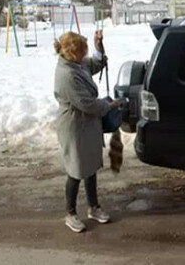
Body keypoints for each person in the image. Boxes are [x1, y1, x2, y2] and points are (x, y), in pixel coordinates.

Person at [53, 30, 119, 233]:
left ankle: (93, 207)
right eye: (83, 51)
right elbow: (87, 104)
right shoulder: (66, 75)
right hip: (74, 127)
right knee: (76, 170)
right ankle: (70, 214)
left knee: (90, 168)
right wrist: (110, 105)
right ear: (72, 53)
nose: (85, 56)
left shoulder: (75, 64)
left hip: (87, 126)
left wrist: (98, 45)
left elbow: (95, 64)